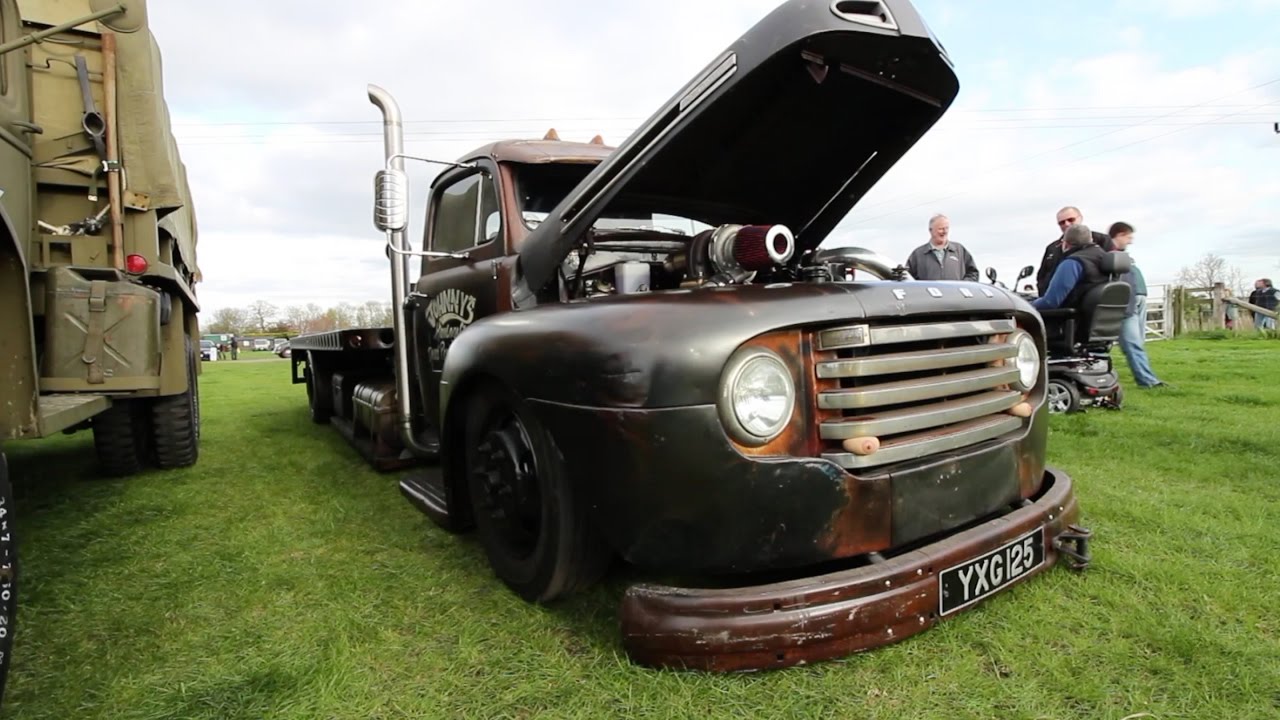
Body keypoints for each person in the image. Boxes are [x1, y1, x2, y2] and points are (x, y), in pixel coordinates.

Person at [1108, 222, 1166, 388]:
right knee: (1132, 344)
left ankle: (1147, 380)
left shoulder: (1122, 257)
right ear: (1119, 235)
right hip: (1120, 308)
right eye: (1128, 237)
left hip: (1128, 306)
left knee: (1133, 344)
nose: (1130, 241)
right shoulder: (1110, 256)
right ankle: (1147, 381)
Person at [1036, 206, 1116, 296]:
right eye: (1062, 223)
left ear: (1080, 218)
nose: (1066, 224)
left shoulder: (1101, 240)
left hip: (1090, 297)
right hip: (1057, 300)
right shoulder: (1052, 248)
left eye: (1071, 220)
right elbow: (1042, 276)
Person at [1032, 223, 1110, 311]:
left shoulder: (1073, 263)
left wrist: (1028, 304)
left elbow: (1050, 303)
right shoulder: (1104, 257)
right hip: (1100, 320)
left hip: (1069, 320)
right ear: (1091, 239)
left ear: (1065, 244)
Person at [904, 214, 980, 281]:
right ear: (930, 230)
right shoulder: (918, 254)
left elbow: (973, 273)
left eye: (946, 228)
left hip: (956, 297)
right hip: (929, 297)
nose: (944, 232)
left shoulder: (959, 250)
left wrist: (962, 286)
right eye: (941, 229)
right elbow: (907, 278)